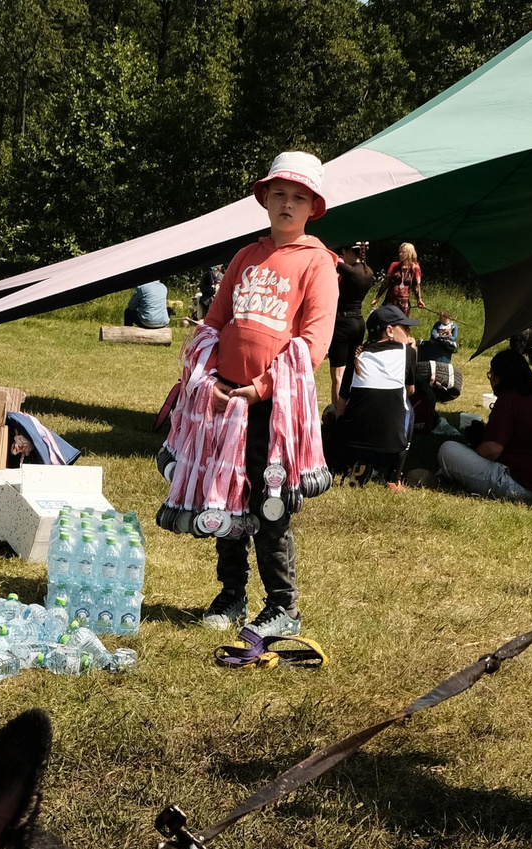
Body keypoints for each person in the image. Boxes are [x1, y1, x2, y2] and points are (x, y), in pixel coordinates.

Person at [177, 149, 339, 634]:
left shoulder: (317, 264)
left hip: (273, 410)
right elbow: (214, 321)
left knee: (270, 508)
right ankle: (231, 597)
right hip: (226, 402)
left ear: (313, 206)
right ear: (265, 198)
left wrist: (260, 387)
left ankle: (282, 608)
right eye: (280, 194)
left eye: (299, 197)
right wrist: (209, 379)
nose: (287, 204)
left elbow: (312, 345)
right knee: (223, 502)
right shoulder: (246, 256)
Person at [439, 346, 532, 502]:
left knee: (447, 450)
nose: (491, 381)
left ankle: (442, 476)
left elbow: (491, 450)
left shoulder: (509, 400)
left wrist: (476, 444)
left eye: (491, 376)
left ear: (499, 378)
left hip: (523, 486)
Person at [324, 305, 422, 487]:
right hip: (390, 447)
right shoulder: (407, 352)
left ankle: (355, 462)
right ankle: (394, 477)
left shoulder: (357, 356)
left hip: (349, 444)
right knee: (408, 408)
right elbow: (410, 390)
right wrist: (413, 350)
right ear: (390, 331)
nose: (409, 332)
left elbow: (342, 401)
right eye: (405, 328)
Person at [328, 239, 376, 405]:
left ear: (350, 252)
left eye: (344, 252)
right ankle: (349, 406)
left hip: (342, 323)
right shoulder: (369, 272)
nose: (342, 255)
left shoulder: (349, 271)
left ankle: (336, 411)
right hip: (359, 322)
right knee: (351, 369)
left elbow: (328, 257)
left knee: (338, 374)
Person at [377, 241, 426, 317]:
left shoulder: (415, 268)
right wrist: (377, 298)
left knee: (402, 326)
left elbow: (416, 286)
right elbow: (386, 282)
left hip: (404, 303)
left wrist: (419, 300)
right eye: (400, 252)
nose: (400, 254)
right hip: (390, 300)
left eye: (403, 252)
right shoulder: (394, 265)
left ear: (410, 253)